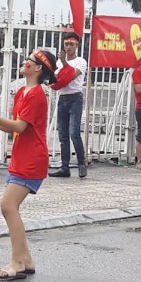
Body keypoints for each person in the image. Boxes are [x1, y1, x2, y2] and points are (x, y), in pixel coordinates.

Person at [0, 49, 57, 280]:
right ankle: (25, 259)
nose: (25, 62)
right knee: (10, 207)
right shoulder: (22, 92)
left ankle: (17, 261)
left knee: (8, 206)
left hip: (32, 159)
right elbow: (15, 127)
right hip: (21, 156)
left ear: (38, 68)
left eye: (30, 60)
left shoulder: (37, 94)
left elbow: (19, 127)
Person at [49, 32, 88, 178]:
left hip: (75, 99)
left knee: (74, 133)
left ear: (77, 45)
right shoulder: (58, 63)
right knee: (63, 135)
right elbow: (56, 80)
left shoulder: (80, 61)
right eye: (66, 44)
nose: (68, 47)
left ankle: (81, 163)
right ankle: (65, 167)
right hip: (63, 98)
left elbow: (70, 76)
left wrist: (64, 63)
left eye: (71, 44)